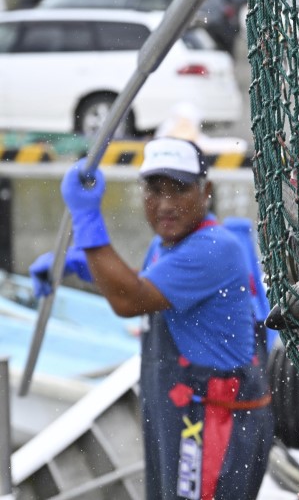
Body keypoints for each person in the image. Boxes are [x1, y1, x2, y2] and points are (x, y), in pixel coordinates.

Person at [30, 137, 273, 500]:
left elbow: (131, 299)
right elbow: (143, 286)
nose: (165, 205)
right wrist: (85, 266)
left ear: (205, 190)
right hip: (179, 413)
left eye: (179, 190)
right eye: (155, 190)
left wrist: (86, 218)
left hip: (214, 420)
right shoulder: (165, 245)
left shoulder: (215, 248)